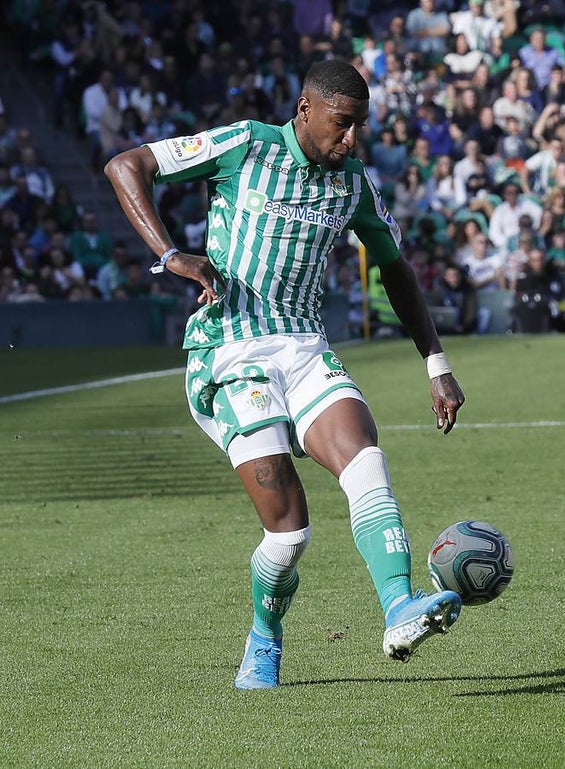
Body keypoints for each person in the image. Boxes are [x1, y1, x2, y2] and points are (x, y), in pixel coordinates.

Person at [103, 60, 467, 690]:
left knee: (365, 457)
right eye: (342, 124)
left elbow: (396, 269)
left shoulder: (352, 182)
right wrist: (170, 255)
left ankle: (399, 606)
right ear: (306, 110)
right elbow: (125, 166)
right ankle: (264, 637)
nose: (351, 139)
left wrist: (436, 363)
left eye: (360, 126)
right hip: (229, 351)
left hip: (303, 346)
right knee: (289, 528)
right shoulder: (245, 146)